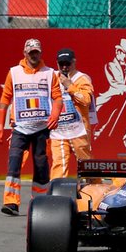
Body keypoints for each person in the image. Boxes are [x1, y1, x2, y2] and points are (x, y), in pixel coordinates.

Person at [0, 39, 63, 215]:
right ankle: (11, 202)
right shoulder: (14, 72)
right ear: (25, 53)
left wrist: (55, 114)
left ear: (41, 53)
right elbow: (5, 97)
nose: (34, 55)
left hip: (42, 127)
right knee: (14, 161)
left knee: (41, 164)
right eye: (31, 52)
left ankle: (40, 202)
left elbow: (57, 97)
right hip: (20, 127)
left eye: (37, 52)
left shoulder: (50, 73)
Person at [49, 48, 95, 179]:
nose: (64, 67)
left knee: (85, 163)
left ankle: (95, 186)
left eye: (67, 63)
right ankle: (56, 194)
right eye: (61, 63)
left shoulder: (82, 78)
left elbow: (86, 100)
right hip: (59, 130)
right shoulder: (52, 78)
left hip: (78, 129)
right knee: (59, 162)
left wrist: (70, 86)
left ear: (74, 62)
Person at [94, 38, 126, 152]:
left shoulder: (125, 66)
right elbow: (115, 84)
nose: (125, 56)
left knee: (125, 127)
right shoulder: (110, 65)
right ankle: (93, 150)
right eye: (124, 53)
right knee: (99, 127)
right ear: (118, 52)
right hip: (106, 100)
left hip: (118, 101)